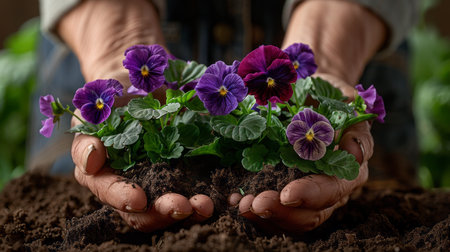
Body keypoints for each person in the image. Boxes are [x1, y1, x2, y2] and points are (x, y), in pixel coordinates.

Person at [32, 0, 419, 233]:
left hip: (345, 28)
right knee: (83, 216)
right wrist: (115, 41)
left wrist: (329, 54)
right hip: (102, 22)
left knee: (364, 219)